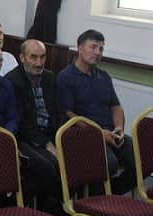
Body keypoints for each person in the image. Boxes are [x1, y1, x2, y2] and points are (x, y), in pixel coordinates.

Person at [58, 29, 136, 195]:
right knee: (109, 164)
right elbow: (69, 114)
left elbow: (116, 106)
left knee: (145, 157)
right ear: (80, 48)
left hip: (111, 132)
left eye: (101, 49)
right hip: (85, 135)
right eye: (93, 47)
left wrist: (119, 128)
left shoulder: (104, 76)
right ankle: (96, 199)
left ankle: (113, 192)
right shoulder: (66, 77)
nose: (97, 52)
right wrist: (99, 133)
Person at [6, 39, 64, 213]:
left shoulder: (50, 77)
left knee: (77, 158)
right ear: (22, 58)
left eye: (42, 57)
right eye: (33, 57)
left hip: (50, 134)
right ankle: (15, 208)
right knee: (48, 165)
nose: (39, 63)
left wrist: (59, 137)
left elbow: (58, 111)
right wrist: (47, 144)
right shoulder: (12, 81)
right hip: (25, 137)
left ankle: (51, 204)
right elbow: (21, 121)